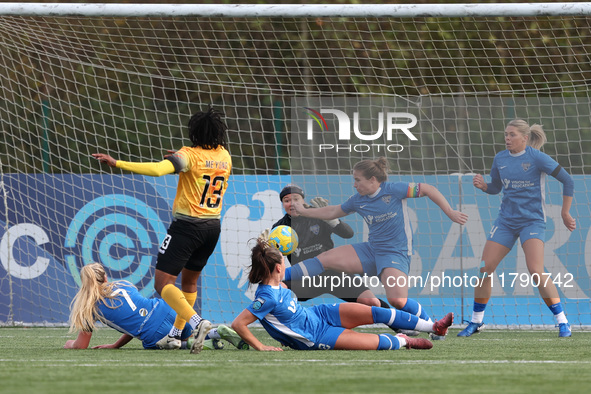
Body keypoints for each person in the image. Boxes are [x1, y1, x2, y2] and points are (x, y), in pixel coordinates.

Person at [92, 107, 232, 353]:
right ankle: (176, 335)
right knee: (189, 283)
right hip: (212, 227)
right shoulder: (225, 155)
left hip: (188, 226)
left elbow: (158, 170)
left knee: (162, 283)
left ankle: (197, 322)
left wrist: (117, 162)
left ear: (194, 133)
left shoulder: (189, 155)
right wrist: (177, 160)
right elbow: (200, 167)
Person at [285, 157, 468, 339]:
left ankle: (432, 326)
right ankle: (281, 277)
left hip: (395, 252)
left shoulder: (394, 190)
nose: (354, 185)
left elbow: (429, 189)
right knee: (325, 259)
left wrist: (450, 212)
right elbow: (333, 211)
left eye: (358, 180)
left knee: (398, 301)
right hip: (371, 250)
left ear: (372, 180)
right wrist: (304, 211)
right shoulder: (358, 200)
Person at [458, 119, 576, 338]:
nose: (507, 138)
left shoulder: (537, 157)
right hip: (505, 222)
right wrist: (484, 186)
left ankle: (562, 322)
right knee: (485, 268)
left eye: (512, 135)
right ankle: (476, 322)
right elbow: (495, 187)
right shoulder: (500, 158)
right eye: (506, 134)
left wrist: (564, 212)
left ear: (524, 138)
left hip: (532, 222)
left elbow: (568, 181)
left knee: (535, 270)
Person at [231, 238, 454, 351]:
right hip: (316, 337)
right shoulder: (267, 297)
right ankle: (405, 342)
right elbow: (238, 324)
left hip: (320, 314)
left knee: (376, 311)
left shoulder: (280, 286)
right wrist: (260, 346)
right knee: (378, 343)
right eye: (282, 260)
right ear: (279, 267)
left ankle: (434, 327)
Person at [64, 263, 246, 350]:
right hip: (168, 310)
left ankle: (198, 343)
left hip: (153, 332)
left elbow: (81, 346)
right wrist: (115, 345)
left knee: (155, 343)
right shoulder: (124, 284)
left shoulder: (90, 308)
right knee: (185, 332)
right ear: (105, 277)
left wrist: (69, 344)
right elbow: (136, 315)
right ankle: (216, 333)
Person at [275, 184, 390, 308]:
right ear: (282, 204)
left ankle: (402, 325)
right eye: (287, 200)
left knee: (372, 302)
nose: (292, 203)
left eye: (296, 199)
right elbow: (275, 261)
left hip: (333, 274)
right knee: (276, 288)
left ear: (303, 200)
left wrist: (332, 219)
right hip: (305, 279)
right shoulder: (279, 229)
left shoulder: (318, 214)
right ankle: (282, 325)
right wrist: (267, 248)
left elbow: (348, 234)